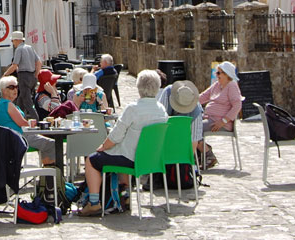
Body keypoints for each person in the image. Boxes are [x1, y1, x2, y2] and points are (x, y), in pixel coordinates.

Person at [80, 70, 168, 216]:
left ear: (139, 87)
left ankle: (94, 203)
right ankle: (124, 196)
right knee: (121, 153)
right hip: (150, 159)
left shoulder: (133, 109)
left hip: (131, 158)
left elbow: (115, 137)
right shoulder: (162, 110)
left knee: (92, 159)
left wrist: (102, 148)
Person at [0, 75, 55, 165]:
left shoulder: (2, 103)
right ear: (3, 90)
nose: (15, 90)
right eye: (11, 87)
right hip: (18, 138)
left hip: (14, 136)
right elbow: (21, 123)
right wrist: (31, 123)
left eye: (16, 87)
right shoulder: (7, 104)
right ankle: (49, 171)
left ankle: (47, 170)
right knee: (52, 144)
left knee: (46, 141)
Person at [159, 79, 204, 156]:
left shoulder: (196, 111)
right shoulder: (168, 93)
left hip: (183, 145)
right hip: (164, 141)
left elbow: (193, 141)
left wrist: (186, 160)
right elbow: (159, 122)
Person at [2, 30, 41, 118]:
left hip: (24, 76)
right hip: (32, 77)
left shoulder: (19, 49)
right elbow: (39, 62)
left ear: (16, 40)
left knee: (28, 102)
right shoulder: (30, 47)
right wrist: (36, 74)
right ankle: (18, 118)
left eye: (12, 41)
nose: (12, 43)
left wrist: (5, 74)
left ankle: (37, 121)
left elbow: (15, 65)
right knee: (21, 100)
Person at [199, 61, 243, 133]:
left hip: (220, 123)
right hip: (208, 118)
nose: (216, 75)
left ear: (226, 74)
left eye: (218, 73)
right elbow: (203, 96)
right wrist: (189, 101)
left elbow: (237, 105)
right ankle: (200, 144)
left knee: (193, 128)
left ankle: (200, 144)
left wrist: (223, 121)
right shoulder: (217, 84)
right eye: (216, 72)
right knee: (187, 123)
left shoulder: (232, 86)